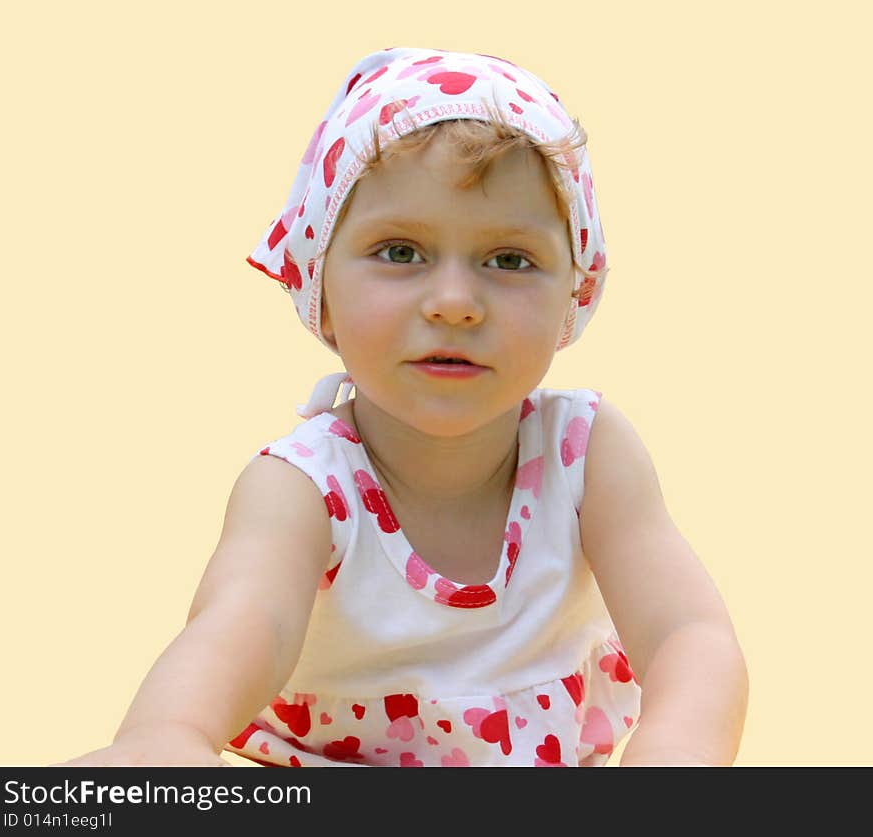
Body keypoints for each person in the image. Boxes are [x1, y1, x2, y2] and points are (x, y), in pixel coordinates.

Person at [56, 47, 748, 768]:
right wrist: (167, 736)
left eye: (509, 259)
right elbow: (246, 620)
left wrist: (675, 757)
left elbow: (689, 635)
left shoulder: (588, 455)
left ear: (574, 289)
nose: (453, 302)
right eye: (400, 251)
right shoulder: (302, 487)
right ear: (320, 288)